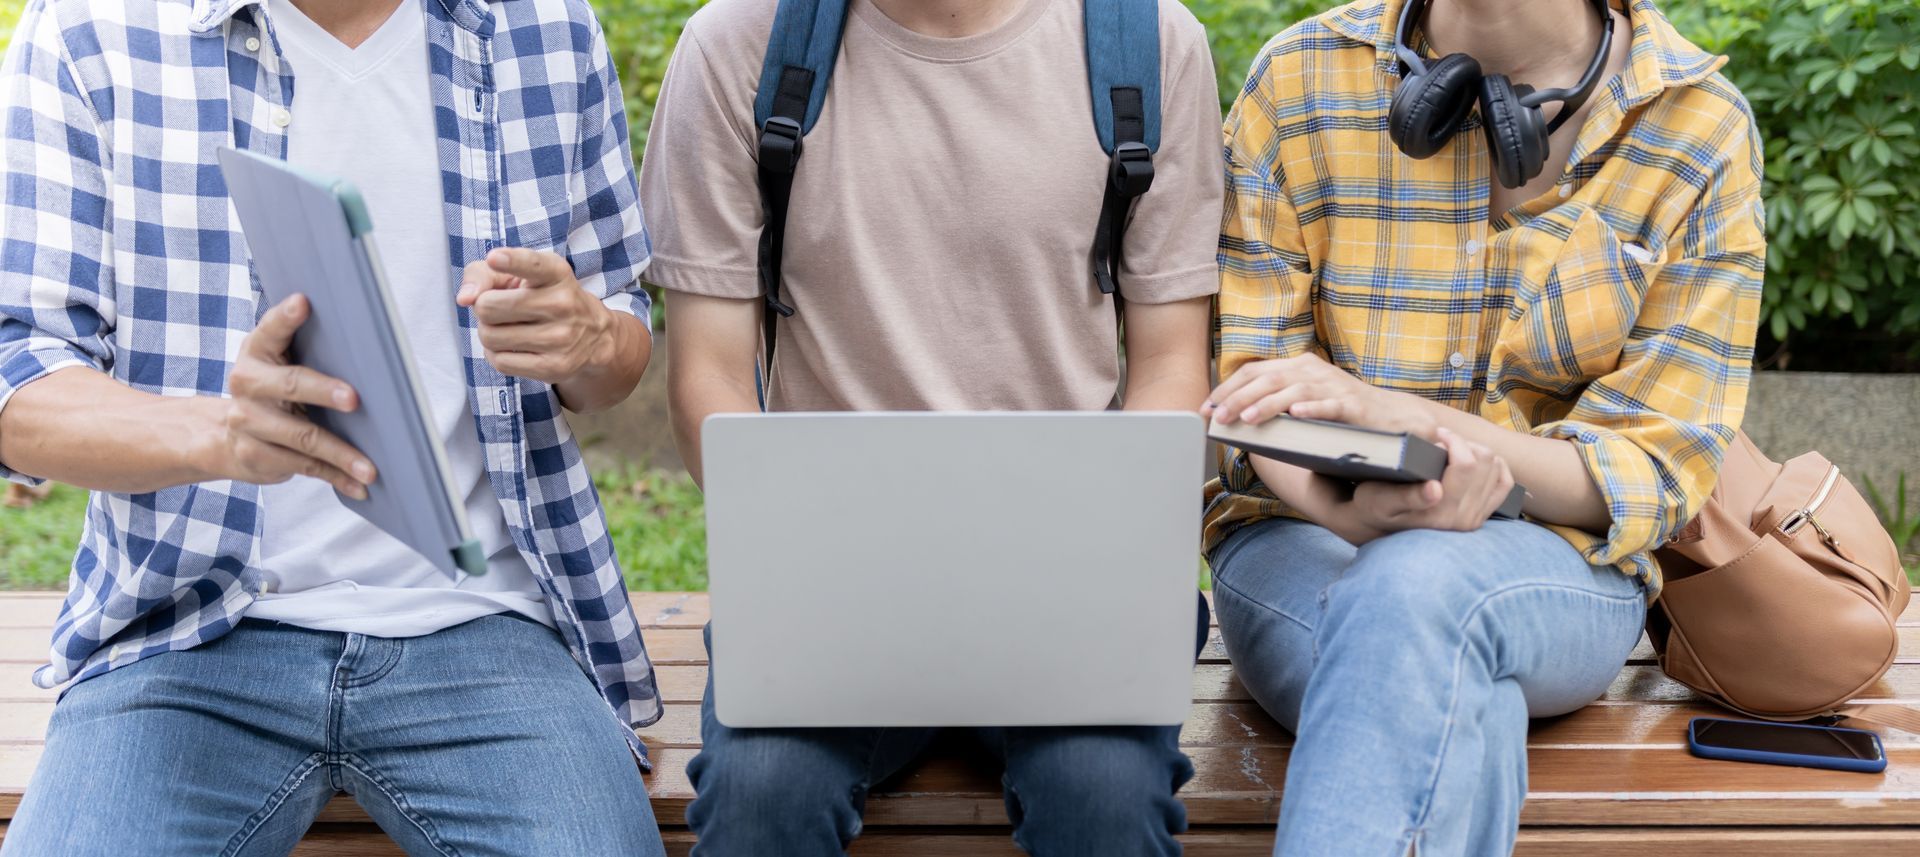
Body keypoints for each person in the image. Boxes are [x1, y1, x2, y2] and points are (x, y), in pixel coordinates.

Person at [0, 0, 667, 853]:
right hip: (185, 636)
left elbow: (616, 352)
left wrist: (593, 335)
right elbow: (22, 386)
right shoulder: (92, 31)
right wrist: (221, 435)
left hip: (483, 622)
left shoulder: (547, 27)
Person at [638, 0, 1224, 853]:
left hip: (1071, 587)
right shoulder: (740, 46)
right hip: (832, 584)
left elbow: (1173, 363)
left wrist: (1117, 538)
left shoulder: (1145, 44)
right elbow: (709, 372)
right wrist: (780, 532)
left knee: (1103, 801)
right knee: (763, 800)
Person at [1201, 0, 1765, 854]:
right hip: (1301, 534)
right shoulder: (1298, 75)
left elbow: (1655, 473)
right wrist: (1340, 505)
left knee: (1415, 587)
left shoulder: (1699, 125)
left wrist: (1408, 419)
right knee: (1458, 680)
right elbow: (1251, 388)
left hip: (1560, 561)